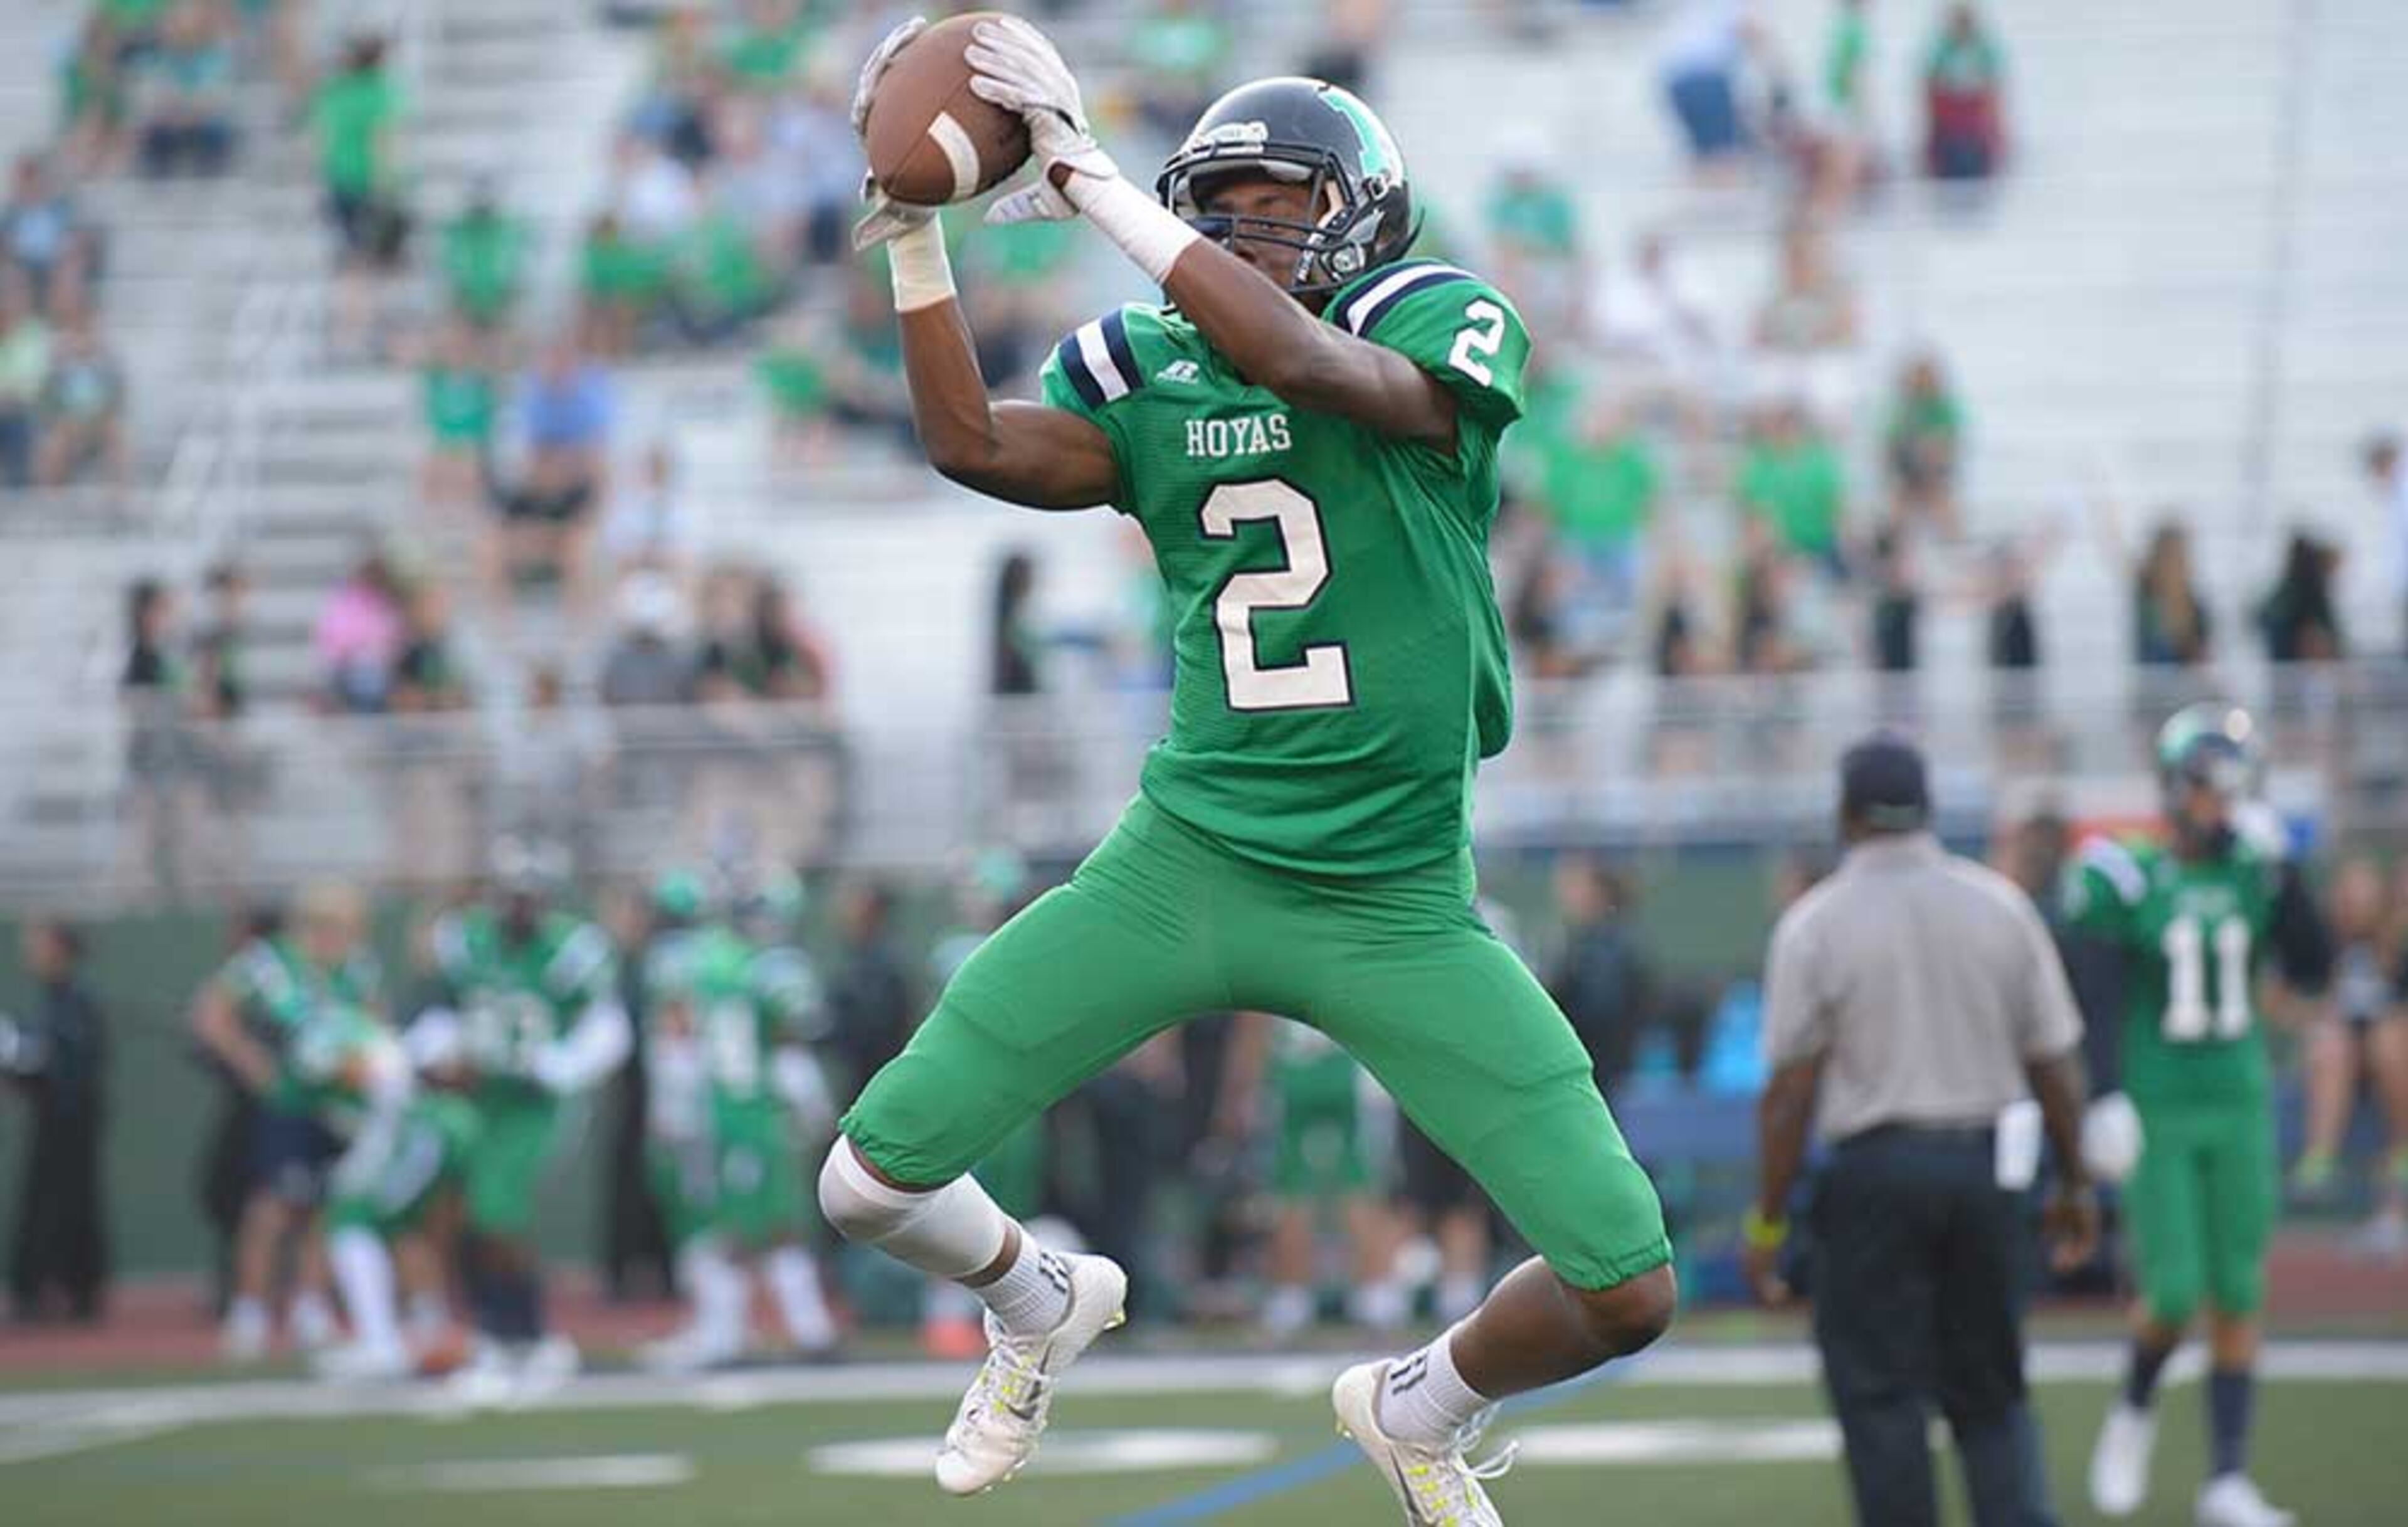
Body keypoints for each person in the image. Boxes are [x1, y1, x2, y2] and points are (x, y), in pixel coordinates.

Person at [826, 23, 1675, 1521]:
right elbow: (968, 443)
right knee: (865, 1182)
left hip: (1391, 895)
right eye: (1220, 200)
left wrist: (1094, 189)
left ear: (1360, 211)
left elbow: (1297, 359)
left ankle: (1419, 1400)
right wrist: (914, 236)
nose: (1245, 227)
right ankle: (1035, 1299)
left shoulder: (1432, 324)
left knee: (1628, 1283)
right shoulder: (1147, 364)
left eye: (1280, 200)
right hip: (1187, 858)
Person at [1749, 733, 2096, 1527]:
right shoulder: (2001, 906)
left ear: (1845, 813)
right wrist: (2075, 1183)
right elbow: (2056, 1068)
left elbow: (1789, 1094)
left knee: (1881, 1401)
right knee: (1993, 1395)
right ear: (1929, 809)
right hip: (1984, 1171)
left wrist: (1768, 1218)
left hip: (1873, 1175)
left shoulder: (1816, 923)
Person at [2069, 705, 2335, 1527]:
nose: (2223, 804)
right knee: (2177, 1286)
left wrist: (2289, 872)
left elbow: (2315, 963)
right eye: (2209, 787)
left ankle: (2226, 1476)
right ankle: (2137, 1402)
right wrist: (2105, 1091)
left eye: (2233, 788)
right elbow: (2100, 989)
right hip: (2164, 1101)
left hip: (2239, 1097)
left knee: (2239, 1286)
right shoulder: (2128, 872)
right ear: (2176, 789)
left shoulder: (2257, 868)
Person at [413, 840, 630, 1402]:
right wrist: (437, 1055)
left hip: (536, 1105)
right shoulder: (468, 939)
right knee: (478, 1216)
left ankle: (525, 1335)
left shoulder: (571, 949)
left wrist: (556, 1066)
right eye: (512, 896)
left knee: (498, 1212)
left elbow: (609, 1029)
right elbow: (441, 1011)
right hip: (482, 1099)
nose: (520, 908)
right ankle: (508, 1336)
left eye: (530, 897)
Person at [636, 870, 841, 1370]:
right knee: (759, 1222)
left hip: (731, 1111)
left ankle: (738, 1334)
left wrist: (671, 1107)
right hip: (743, 1109)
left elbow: (680, 1035)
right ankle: (788, 1328)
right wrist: (812, 1105)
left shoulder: (708, 961)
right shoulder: (762, 965)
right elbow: (793, 1040)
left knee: (741, 1223)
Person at [189, 881, 383, 1361]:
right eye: (328, 928)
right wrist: (254, 1063)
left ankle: (311, 1309)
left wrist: (356, 1066)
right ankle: (249, 1311)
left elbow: (376, 1028)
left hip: (337, 1107)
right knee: (272, 1208)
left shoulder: (357, 968)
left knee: (326, 1210)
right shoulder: (270, 964)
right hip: (288, 1104)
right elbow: (212, 1013)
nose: (336, 940)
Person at [2293, 857, 2408, 1257]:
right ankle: (2320, 1158)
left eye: (2364, 894)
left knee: (2389, 1041)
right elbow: (2286, 1000)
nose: (2355, 903)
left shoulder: (2394, 945)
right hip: (2341, 1050)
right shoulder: (2323, 945)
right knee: (2331, 1045)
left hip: (2391, 1049)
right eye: (2348, 893)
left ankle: (2401, 1155)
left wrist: (2388, 947)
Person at [3, 921, 108, 1323]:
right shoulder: (51, 999)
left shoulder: (77, 999)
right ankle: (44, 1289)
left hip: (72, 1119)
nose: (29, 953)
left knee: (69, 1203)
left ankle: (75, 1289)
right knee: (44, 1203)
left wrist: (28, 1058)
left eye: (37, 944)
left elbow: (67, 1060)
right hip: (52, 1116)